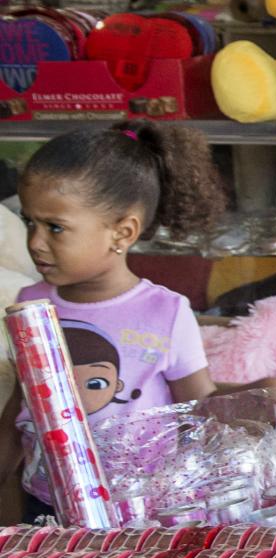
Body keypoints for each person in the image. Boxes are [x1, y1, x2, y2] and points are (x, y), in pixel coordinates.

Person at [0, 122, 249, 518]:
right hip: (48, 505)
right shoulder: (32, 305)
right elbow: (21, 407)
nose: (34, 242)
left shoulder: (165, 312)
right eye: (30, 221)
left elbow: (199, 406)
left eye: (55, 227)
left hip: (141, 511)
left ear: (123, 231)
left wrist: (264, 393)